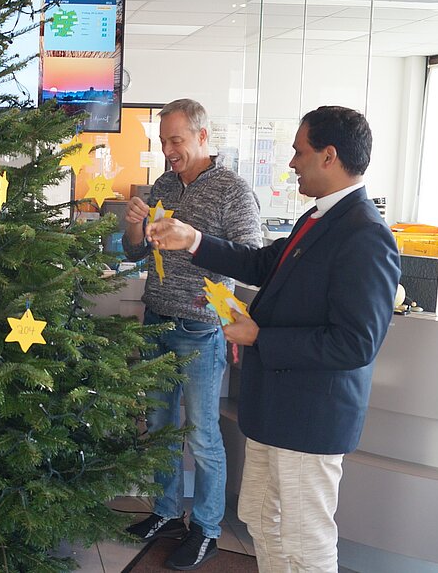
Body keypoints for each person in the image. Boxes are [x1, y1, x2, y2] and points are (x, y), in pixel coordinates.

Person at [145, 105, 401, 573]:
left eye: (298, 152)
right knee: (263, 522)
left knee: (304, 540)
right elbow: (263, 264)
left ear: (329, 156)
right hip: (275, 415)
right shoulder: (319, 218)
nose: (290, 162)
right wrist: (194, 240)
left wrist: (261, 335)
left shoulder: (365, 234)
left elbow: (355, 344)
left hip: (309, 421)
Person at [121, 99, 261, 570]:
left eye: (176, 141)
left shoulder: (232, 191)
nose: (168, 150)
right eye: (163, 142)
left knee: (202, 435)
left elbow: (251, 259)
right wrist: (133, 228)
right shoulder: (162, 184)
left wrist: (195, 239)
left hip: (200, 330)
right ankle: (165, 511)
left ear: (203, 137)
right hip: (156, 319)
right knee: (159, 428)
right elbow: (136, 253)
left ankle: (206, 528)